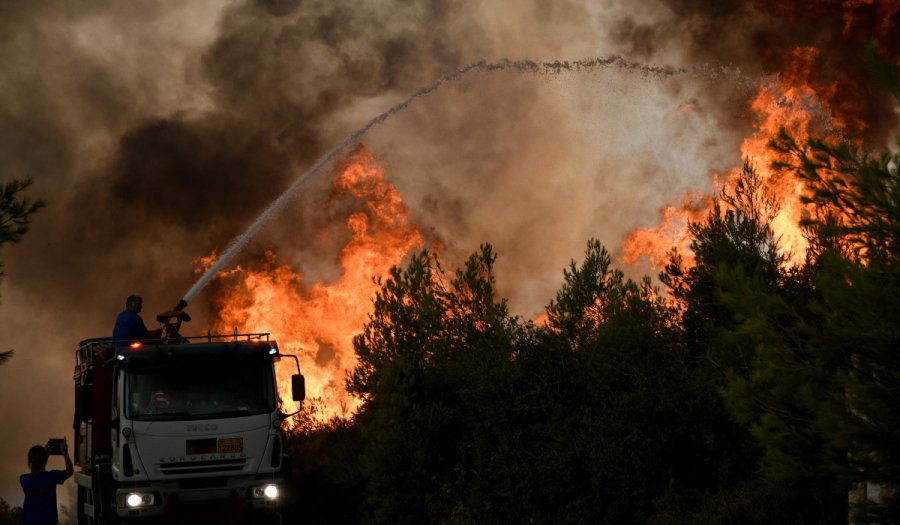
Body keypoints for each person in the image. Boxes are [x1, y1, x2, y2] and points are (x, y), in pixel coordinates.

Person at [20, 439, 74, 525]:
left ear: (30, 462)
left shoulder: (24, 480)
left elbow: (39, 473)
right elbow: (69, 472)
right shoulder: (52, 477)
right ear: (44, 461)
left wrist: (45, 456)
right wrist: (65, 452)